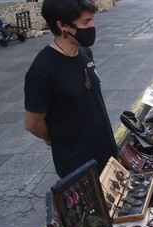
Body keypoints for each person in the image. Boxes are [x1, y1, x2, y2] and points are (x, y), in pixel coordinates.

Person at [24, 0, 118, 178]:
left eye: (92, 20)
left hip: (106, 154)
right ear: (62, 25)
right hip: (79, 167)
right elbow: (32, 123)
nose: (92, 26)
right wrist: (56, 136)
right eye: (85, 22)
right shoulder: (42, 70)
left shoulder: (84, 52)